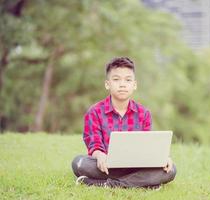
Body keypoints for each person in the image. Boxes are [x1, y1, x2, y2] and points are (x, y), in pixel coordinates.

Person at [71, 57, 176, 189]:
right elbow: (94, 144)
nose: (122, 84)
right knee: (79, 163)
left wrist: (161, 158)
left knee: (171, 169)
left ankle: (109, 184)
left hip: (136, 167)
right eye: (116, 79)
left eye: (128, 80)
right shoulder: (95, 112)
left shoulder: (144, 113)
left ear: (134, 85)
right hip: (106, 166)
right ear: (107, 84)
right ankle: (143, 183)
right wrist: (100, 155)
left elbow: (147, 147)